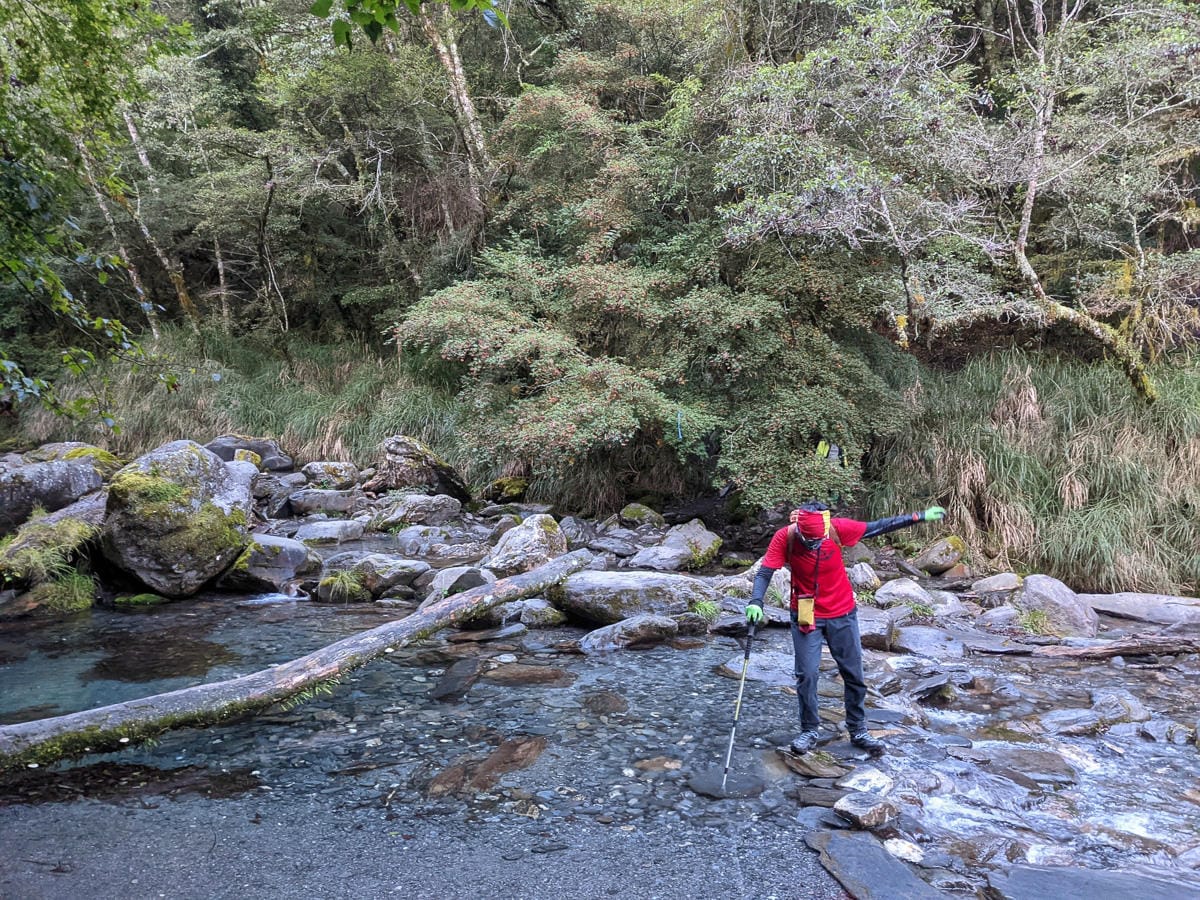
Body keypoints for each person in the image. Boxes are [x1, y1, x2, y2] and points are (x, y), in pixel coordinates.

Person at [745, 500, 946, 755]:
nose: (813, 544)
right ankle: (809, 730)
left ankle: (858, 730)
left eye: (818, 539)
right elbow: (764, 573)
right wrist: (756, 602)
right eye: (809, 540)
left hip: (843, 613)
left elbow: (880, 526)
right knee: (806, 675)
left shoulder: (838, 528)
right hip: (807, 615)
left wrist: (919, 516)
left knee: (854, 675)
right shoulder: (786, 537)